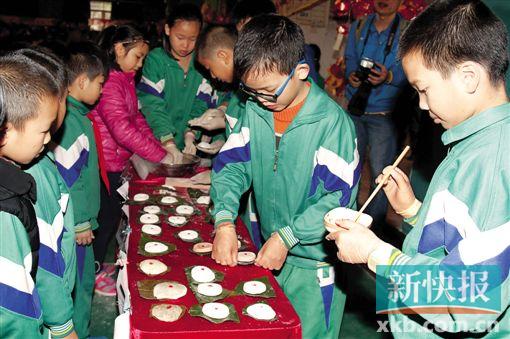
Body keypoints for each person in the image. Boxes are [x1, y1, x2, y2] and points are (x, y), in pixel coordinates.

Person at [328, 0, 510, 336]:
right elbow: (463, 239)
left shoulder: (493, 160)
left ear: (468, 77)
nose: (422, 105)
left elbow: (470, 302)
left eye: (424, 90)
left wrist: (374, 253)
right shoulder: (473, 140)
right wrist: (413, 210)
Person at [211, 15, 360, 339]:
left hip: (315, 262)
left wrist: (288, 236)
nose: (261, 101)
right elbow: (233, 164)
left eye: (267, 92)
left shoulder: (332, 125)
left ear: (301, 72)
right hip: (269, 246)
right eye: (251, 93)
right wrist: (224, 220)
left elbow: (338, 200)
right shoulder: (256, 109)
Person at [91, 25, 173, 296]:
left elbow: (137, 120)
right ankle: (94, 272)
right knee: (106, 218)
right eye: (137, 57)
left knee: (115, 216)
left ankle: (103, 265)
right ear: (118, 49)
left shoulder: (125, 80)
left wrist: (159, 147)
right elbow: (122, 130)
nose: (140, 64)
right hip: (107, 163)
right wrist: (161, 156)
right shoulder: (111, 83)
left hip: (118, 160)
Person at [0, 52, 60, 338]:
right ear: (5, 133)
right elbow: (15, 309)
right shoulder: (5, 211)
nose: (48, 140)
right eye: (44, 131)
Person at [50, 42, 107, 336]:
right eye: (99, 84)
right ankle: (79, 332)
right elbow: (70, 180)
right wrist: (82, 221)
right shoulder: (73, 124)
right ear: (82, 81)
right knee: (79, 283)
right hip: (75, 225)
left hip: (76, 222)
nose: (101, 91)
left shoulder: (76, 118)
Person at [344, 0, 408, 227]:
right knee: (347, 168)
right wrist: (351, 73)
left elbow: (411, 68)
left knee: (381, 177)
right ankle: (344, 220)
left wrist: (389, 77)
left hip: (384, 112)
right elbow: (350, 58)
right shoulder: (359, 26)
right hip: (355, 108)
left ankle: (375, 229)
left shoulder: (406, 32)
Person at [137, 3, 221, 156]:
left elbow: (201, 103)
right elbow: (152, 104)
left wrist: (190, 134)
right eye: (180, 37)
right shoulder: (156, 60)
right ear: (168, 30)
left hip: (190, 146)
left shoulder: (203, 63)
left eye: (193, 39)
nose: (186, 45)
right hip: (156, 142)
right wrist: (168, 141)